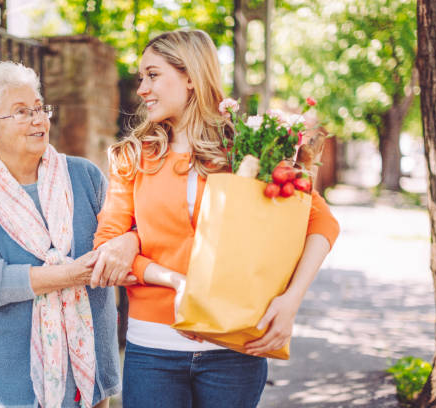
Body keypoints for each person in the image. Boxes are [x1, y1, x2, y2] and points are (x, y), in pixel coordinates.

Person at [91, 30, 340, 408]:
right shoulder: (133, 157)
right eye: (141, 77)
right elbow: (106, 252)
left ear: (190, 76)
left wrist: (290, 302)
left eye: (153, 75)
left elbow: (321, 222)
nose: (142, 88)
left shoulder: (250, 148)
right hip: (152, 348)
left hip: (235, 345)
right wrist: (175, 281)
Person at [0, 61, 139, 408]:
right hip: (10, 384)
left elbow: (128, 234)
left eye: (40, 108)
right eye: (22, 112)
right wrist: (68, 274)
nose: (39, 120)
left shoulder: (84, 176)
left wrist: (129, 239)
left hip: (89, 375)